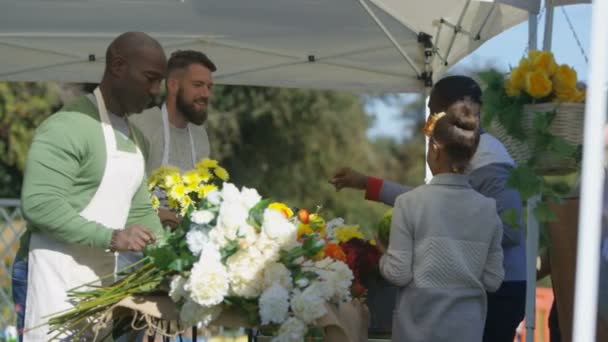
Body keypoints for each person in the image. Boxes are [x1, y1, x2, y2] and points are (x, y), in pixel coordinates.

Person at [331, 75, 526, 342]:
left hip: (501, 293)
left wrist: (446, 233)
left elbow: (512, 231)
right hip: (474, 295)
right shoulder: (469, 164)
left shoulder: (492, 162)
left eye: (433, 112)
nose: (429, 120)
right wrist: (369, 184)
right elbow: (438, 203)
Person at [14, 31, 167, 340]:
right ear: (118, 66)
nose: (156, 90)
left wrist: (171, 260)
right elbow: (39, 205)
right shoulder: (68, 125)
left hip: (99, 281)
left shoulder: (137, 139)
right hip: (51, 275)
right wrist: (113, 237)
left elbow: (139, 210)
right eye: (150, 78)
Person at [378, 99, 504, 341]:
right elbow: (492, 280)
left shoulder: (409, 203)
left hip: (416, 330)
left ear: (435, 149)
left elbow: (398, 273)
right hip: (467, 331)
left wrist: (383, 254)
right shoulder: (488, 209)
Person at [130, 49, 216, 175]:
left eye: (209, 87)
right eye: (198, 85)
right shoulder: (141, 125)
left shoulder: (200, 135)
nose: (206, 94)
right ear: (172, 85)